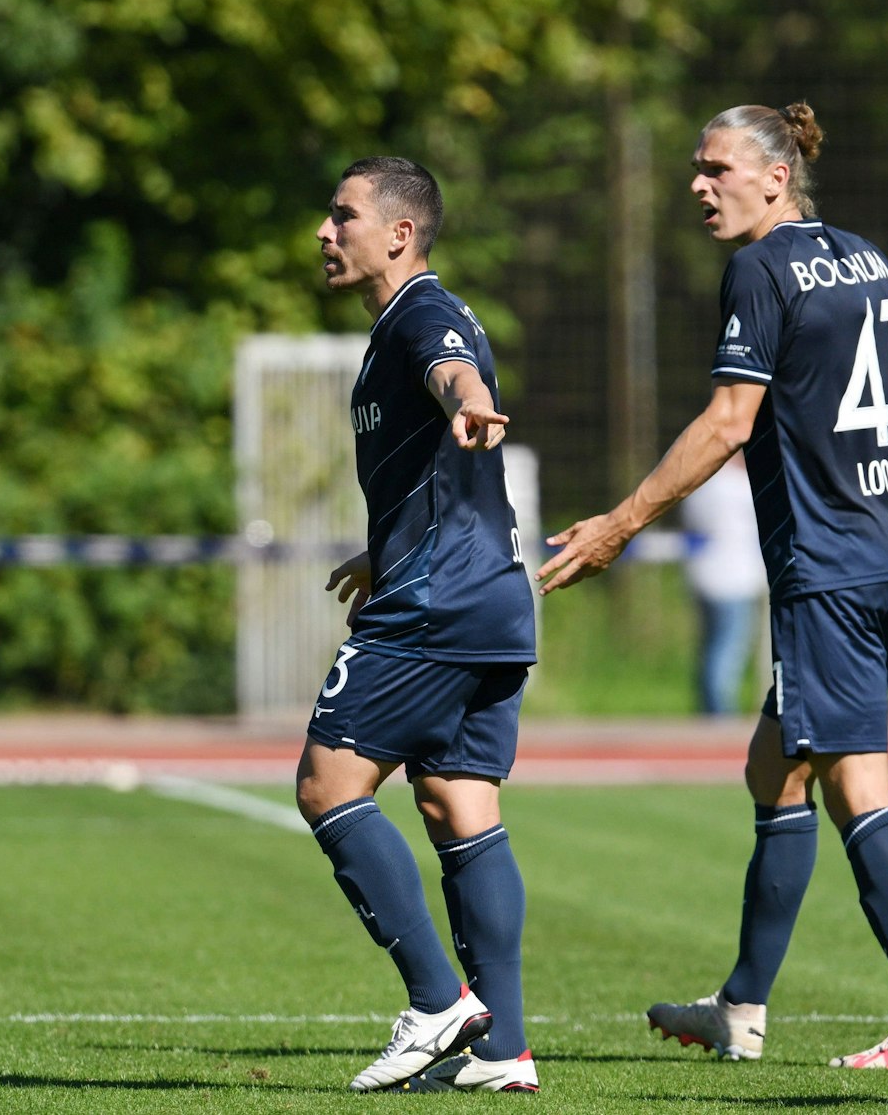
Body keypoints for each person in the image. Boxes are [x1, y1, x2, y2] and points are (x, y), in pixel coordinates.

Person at [536, 103, 888, 1070]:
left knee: (856, 782)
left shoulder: (761, 269)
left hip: (831, 569)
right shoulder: (866, 258)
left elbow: (731, 422)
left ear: (775, 177)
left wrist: (618, 522)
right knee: (774, 768)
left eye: (714, 166)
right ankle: (739, 1005)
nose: (697, 183)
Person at [300, 156, 539, 1093]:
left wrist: (468, 398)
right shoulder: (405, 320)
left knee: (327, 785)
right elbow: (433, 462)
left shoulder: (421, 314)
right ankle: (503, 1047)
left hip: (437, 604)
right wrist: (382, 545)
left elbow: (450, 373)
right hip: (489, 595)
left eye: (342, 215)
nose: (325, 232)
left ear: (398, 234)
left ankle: (439, 1000)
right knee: (459, 805)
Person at [683, 453, 766, 715]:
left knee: (710, 648)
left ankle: (709, 709)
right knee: (728, 651)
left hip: (702, 576)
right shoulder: (741, 486)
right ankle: (719, 714)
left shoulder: (700, 485)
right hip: (735, 579)